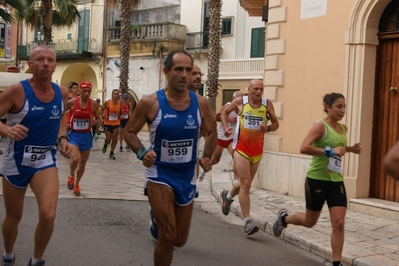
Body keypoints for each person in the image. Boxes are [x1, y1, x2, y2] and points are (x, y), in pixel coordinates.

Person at [124, 49, 216, 266]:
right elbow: (129, 132)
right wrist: (142, 153)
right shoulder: (150, 102)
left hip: (186, 175)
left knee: (180, 240)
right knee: (167, 237)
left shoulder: (200, 103)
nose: (184, 75)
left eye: (188, 70)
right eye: (178, 70)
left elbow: (212, 131)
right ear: (166, 71)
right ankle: (159, 218)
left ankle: (156, 219)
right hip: (159, 173)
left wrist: (207, 156)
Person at [0, 45, 72, 266]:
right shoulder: (16, 91)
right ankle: (9, 253)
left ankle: (37, 259)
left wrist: (63, 139)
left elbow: (60, 119)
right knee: (14, 217)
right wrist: (7, 130)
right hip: (15, 160)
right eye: (40, 59)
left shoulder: (61, 93)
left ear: (55, 66)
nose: (46, 63)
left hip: (45, 160)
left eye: (50, 60)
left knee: (48, 215)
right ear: (30, 65)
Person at [272, 93, 362, 266]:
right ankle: (284, 219)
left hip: (336, 181)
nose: (342, 110)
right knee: (309, 221)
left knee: (339, 223)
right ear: (328, 107)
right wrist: (330, 151)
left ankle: (336, 262)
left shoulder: (344, 129)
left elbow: (339, 148)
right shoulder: (320, 126)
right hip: (317, 179)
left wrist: (351, 149)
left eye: (344, 107)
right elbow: (304, 147)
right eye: (339, 106)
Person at [220, 79, 279, 236]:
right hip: (240, 149)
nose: (258, 92)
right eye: (255, 89)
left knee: (244, 184)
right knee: (246, 183)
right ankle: (247, 222)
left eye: (261, 89)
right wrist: (226, 127)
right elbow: (224, 112)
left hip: (257, 151)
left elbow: (276, 124)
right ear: (249, 89)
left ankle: (228, 196)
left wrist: (268, 128)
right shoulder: (240, 101)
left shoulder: (267, 104)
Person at [198, 90, 244, 182]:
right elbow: (216, 116)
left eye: (242, 98)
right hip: (221, 136)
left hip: (232, 138)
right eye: (238, 98)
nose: (240, 100)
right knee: (215, 160)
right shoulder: (227, 106)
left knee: (237, 157)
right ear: (233, 99)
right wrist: (229, 120)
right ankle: (203, 170)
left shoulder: (243, 108)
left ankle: (236, 180)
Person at [66, 81, 100, 196]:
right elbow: (60, 114)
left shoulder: (93, 104)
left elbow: (99, 119)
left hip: (86, 135)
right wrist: (64, 124)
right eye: (84, 91)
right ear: (80, 91)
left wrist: (95, 122)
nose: (86, 93)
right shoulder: (71, 102)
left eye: (89, 91)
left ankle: (77, 184)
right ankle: (71, 175)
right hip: (74, 135)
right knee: (75, 159)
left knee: (82, 163)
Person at [101, 89, 122, 160]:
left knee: (115, 138)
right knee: (108, 139)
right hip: (107, 123)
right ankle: (106, 144)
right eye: (115, 94)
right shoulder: (107, 102)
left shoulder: (120, 104)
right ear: (112, 95)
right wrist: (102, 114)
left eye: (117, 94)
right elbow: (101, 108)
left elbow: (121, 112)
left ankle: (112, 152)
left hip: (116, 123)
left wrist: (121, 116)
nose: (116, 95)